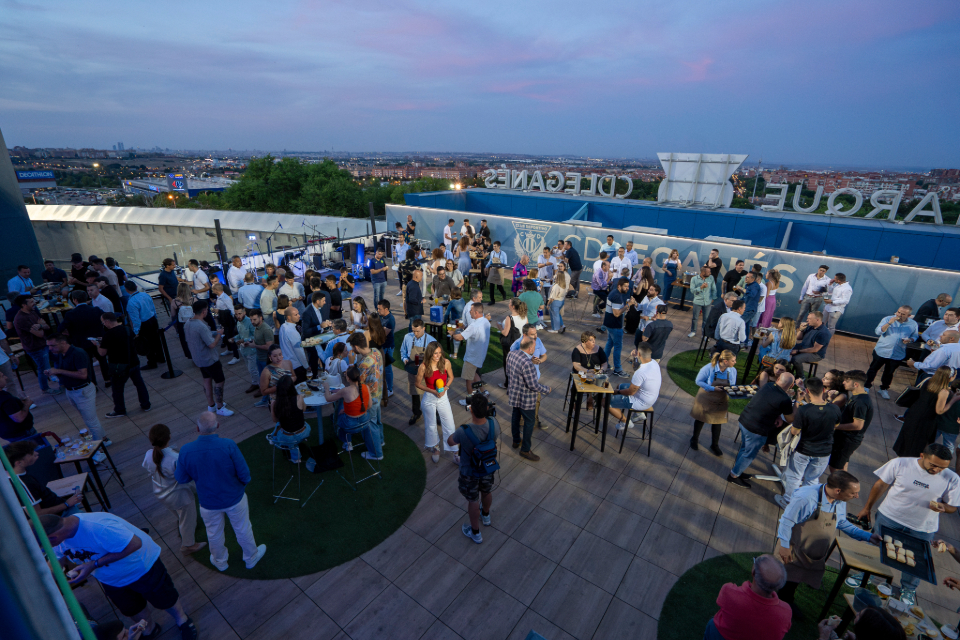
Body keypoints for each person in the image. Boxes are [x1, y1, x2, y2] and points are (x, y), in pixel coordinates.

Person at [41, 513, 199, 640]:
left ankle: (182, 620)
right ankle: (149, 630)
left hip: (142, 567)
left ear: (53, 537)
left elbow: (135, 543)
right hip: (110, 579)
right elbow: (55, 561)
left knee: (165, 599)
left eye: (43, 543)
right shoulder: (59, 540)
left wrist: (93, 565)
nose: (44, 547)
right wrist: (43, 583)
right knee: (132, 608)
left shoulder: (99, 527)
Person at [855, 444, 960, 604]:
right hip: (889, 517)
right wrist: (867, 508)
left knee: (916, 559)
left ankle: (908, 590)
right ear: (922, 456)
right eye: (933, 465)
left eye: (942, 468)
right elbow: (880, 485)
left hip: (922, 527)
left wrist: (943, 507)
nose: (937, 470)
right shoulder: (900, 463)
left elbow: (953, 507)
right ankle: (864, 575)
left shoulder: (952, 478)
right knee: (877, 546)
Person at [175, 412, 266, 572]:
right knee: (243, 529)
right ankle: (251, 558)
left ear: (197, 428)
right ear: (217, 426)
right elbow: (245, 475)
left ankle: (220, 561)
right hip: (234, 498)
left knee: (214, 533)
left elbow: (181, 478)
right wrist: (238, 486)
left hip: (208, 502)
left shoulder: (186, 450)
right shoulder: (229, 445)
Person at [775, 471, 879, 607]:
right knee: (785, 580)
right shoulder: (806, 498)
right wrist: (784, 546)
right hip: (793, 549)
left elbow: (841, 522)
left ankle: (786, 601)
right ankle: (779, 604)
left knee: (795, 581)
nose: (856, 496)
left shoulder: (840, 500)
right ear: (838, 490)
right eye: (853, 493)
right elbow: (786, 521)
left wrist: (869, 537)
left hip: (811, 553)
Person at [141, 424, 206, 556]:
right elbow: (184, 476)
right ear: (169, 437)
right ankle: (188, 545)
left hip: (160, 492)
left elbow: (148, 468)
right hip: (179, 496)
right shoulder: (175, 458)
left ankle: (186, 526)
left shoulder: (149, 454)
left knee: (179, 514)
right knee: (187, 518)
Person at [778, 377, 842, 507]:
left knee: (795, 477)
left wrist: (798, 401)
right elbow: (835, 425)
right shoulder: (835, 409)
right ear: (823, 390)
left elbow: (795, 431)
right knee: (812, 480)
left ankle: (788, 502)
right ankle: (806, 504)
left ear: (806, 390)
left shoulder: (804, 410)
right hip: (824, 452)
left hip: (804, 450)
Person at [728, 371, 796, 489]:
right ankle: (733, 476)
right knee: (749, 454)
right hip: (756, 429)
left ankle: (737, 470)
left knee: (745, 449)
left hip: (744, 420)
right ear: (791, 386)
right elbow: (791, 419)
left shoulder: (769, 385)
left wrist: (778, 415)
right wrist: (798, 401)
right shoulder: (785, 400)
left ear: (778, 379)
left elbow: (769, 403)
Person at [448, 394, 498, 545]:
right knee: (487, 491)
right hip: (488, 467)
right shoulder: (494, 423)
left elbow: (450, 441)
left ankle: (475, 532)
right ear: (487, 408)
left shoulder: (464, 431)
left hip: (469, 472)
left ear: (471, 410)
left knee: (473, 500)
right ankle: (486, 516)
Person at [703, 554, 790, 640]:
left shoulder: (730, 591)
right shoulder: (786, 612)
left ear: (754, 572)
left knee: (712, 624)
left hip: (721, 636)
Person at [46, 333, 108, 445]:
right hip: (71, 391)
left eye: (52, 345)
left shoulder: (78, 353)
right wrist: (53, 373)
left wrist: (59, 371)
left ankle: (99, 450)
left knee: (91, 422)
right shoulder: (61, 354)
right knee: (89, 419)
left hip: (83, 391)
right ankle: (104, 439)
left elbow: (83, 375)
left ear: (63, 343)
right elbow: (65, 371)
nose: (50, 349)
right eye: (49, 346)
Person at [6, 440, 83, 516]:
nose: (36, 453)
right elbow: (36, 513)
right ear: (19, 463)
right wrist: (67, 504)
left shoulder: (13, 474)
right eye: (31, 454)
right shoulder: (23, 484)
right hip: (61, 515)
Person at [892, 366, 955, 457]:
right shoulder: (944, 391)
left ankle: (900, 457)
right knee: (918, 443)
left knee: (907, 437)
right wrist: (953, 399)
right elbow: (939, 410)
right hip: (926, 420)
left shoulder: (927, 380)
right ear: (949, 377)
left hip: (914, 413)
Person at [183, 301, 233, 416]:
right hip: (210, 359)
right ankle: (220, 406)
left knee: (207, 381)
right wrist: (219, 335)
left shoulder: (188, 324)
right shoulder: (201, 325)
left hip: (199, 359)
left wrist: (215, 332)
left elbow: (201, 336)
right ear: (204, 311)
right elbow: (211, 344)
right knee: (219, 381)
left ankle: (211, 405)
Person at [506, 337, 551, 462]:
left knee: (515, 416)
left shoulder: (511, 354)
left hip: (514, 393)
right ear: (530, 348)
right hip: (526, 398)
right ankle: (525, 449)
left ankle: (516, 441)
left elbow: (508, 372)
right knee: (529, 422)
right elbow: (533, 385)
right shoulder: (528, 363)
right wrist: (547, 389)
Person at [98, 312, 151, 418]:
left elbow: (102, 353)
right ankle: (146, 405)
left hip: (119, 366)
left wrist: (98, 344)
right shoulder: (127, 329)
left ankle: (120, 410)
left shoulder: (108, 335)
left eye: (103, 323)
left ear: (107, 321)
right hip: (133, 362)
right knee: (139, 384)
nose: (103, 325)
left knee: (117, 389)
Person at [415, 342, 457, 464]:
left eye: (439, 353)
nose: (438, 356)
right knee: (431, 425)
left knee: (449, 423)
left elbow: (451, 377)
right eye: (435, 353)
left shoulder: (446, 362)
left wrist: (445, 388)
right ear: (430, 353)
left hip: (443, 397)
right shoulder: (423, 366)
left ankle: (455, 452)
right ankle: (436, 448)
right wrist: (432, 391)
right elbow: (417, 384)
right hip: (429, 398)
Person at [864, 305, 919, 398]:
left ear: (909, 316)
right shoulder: (887, 319)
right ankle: (866, 386)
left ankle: (884, 389)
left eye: (903, 314)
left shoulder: (913, 324)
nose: (899, 315)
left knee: (889, 373)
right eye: (898, 312)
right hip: (882, 350)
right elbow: (878, 332)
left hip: (898, 353)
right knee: (873, 369)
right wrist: (889, 323)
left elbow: (915, 336)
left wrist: (910, 340)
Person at [690, 350, 737, 456]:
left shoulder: (732, 370)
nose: (735, 362)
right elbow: (698, 381)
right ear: (725, 361)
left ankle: (714, 445)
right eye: (733, 360)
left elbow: (732, 384)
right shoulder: (709, 368)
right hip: (706, 396)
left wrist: (731, 391)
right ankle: (694, 439)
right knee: (701, 418)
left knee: (717, 422)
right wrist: (712, 388)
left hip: (721, 399)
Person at [59, 290, 109, 386]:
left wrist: (68, 332)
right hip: (97, 339)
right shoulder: (96, 310)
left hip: (81, 342)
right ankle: (107, 380)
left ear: (74, 300)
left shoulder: (71, 314)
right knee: (102, 359)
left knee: (87, 364)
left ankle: (93, 384)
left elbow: (60, 328)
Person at [608, 343, 661, 431]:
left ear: (639, 354)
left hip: (641, 402)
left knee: (605, 402)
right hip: (651, 397)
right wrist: (635, 358)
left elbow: (630, 392)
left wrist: (616, 392)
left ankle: (626, 422)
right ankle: (638, 414)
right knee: (620, 386)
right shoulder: (653, 362)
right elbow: (637, 369)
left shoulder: (641, 372)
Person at [828, 370, 873, 472]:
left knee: (835, 468)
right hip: (845, 438)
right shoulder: (858, 396)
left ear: (855, 384)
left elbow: (858, 425)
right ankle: (843, 486)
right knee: (843, 466)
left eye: (846, 381)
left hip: (847, 440)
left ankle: (837, 486)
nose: (843, 382)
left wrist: (835, 426)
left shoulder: (860, 402)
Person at [13, 294, 59, 395]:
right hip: (36, 347)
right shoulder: (21, 319)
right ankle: (45, 389)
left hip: (44, 344)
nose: (35, 303)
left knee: (58, 359)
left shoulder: (32, 312)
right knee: (44, 368)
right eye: (31, 302)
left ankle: (60, 379)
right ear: (24, 305)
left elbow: (46, 326)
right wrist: (41, 326)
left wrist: (40, 325)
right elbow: (40, 333)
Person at [348, 333, 384, 461]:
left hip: (369, 398)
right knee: (377, 420)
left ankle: (376, 453)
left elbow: (355, 382)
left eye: (352, 347)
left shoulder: (363, 364)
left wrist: (351, 364)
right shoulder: (376, 352)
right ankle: (380, 441)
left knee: (370, 425)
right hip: (378, 392)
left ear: (356, 347)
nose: (352, 350)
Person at [270, 376, 315, 464]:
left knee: (279, 426)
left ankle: (296, 458)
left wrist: (272, 405)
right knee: (286, 429)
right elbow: (304, 409)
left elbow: (274, 419)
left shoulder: (276, 403)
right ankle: (275, 439)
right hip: (304, 432)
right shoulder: (299, 397)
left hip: (287, 437)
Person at [401, 319, 437, 425]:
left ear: (423, 329)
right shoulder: (407, 337)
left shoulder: (431, 341)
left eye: (417, 331)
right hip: (413, 370)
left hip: (428, 371)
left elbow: (437, 357)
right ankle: (416, 413)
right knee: (414, 392)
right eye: (413, 331)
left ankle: (436, 414)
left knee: (432, 393)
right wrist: (405, 359)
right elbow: (403, 351)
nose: (415, 334)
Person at [453, 303, 490, 406]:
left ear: (476, 312)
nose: (469, 312)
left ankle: (470, 401)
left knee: (468, 379)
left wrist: (452, 333)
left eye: (471, 311)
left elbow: (460, 337)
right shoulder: (486, 321)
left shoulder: (474, 325)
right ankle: (484, 392)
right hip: (480, 354)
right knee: (474, 374)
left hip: (472, 357)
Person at [124, 281, 165, 369]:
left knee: (147, 343)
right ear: (136, 286)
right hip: (152, 319)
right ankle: (161, 357)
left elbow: (135, 319)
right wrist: (155, 317)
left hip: (144, 324)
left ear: (127, 290)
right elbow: (153, 307)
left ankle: (152, 362)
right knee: (156, 340)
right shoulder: (145, 295)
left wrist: (136, 331)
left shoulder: (131, 302)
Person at [603, 277, 635, 377]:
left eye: (628, 286)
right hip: (615, 325)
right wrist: (628, 305)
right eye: (625, 286)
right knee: (617, 347)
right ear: (619, 286)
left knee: (609, 344)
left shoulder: (615, 293)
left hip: (610, 323)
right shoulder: (617, 296)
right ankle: (618, 369)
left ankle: (604, 363)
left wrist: (625, 307)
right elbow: (616, 313)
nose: (627, 288)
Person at [0, 370, 35, 442]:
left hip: (6, 433)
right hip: (22, 434)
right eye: (2, 376)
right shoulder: (6, 399)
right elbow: (19, 418)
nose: (6, 377)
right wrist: (27, 404)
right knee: (36, 452)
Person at [278, 306, 308, 382]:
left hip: (286, 364)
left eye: (298, 313)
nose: (299, 316)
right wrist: (306, 366)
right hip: (297, 366)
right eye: (296, 314)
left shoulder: (283, 326)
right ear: (288, 317)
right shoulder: (292, 331)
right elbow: (299, 351)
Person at [688, 265, 717, 338]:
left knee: (706, 319)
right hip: (697, 301)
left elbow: (714, 288)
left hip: (707, 302)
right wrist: (701, 287)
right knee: (695, 318)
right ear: (703, 272)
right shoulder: (694, 279)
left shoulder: (711, 278)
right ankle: (693, 331)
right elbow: (692, 290)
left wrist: (713, 298)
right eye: (708, 272)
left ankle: (704, 334)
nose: (710, 273)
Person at [546, 264, 571, 334]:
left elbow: (552, 298)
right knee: (557, 315)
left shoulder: (557, 286)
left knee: (555, 316)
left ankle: (555, 329)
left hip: (555, 302)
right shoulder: (563, 285)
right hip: (561, 301)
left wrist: (548, 304)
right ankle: (562, 325)